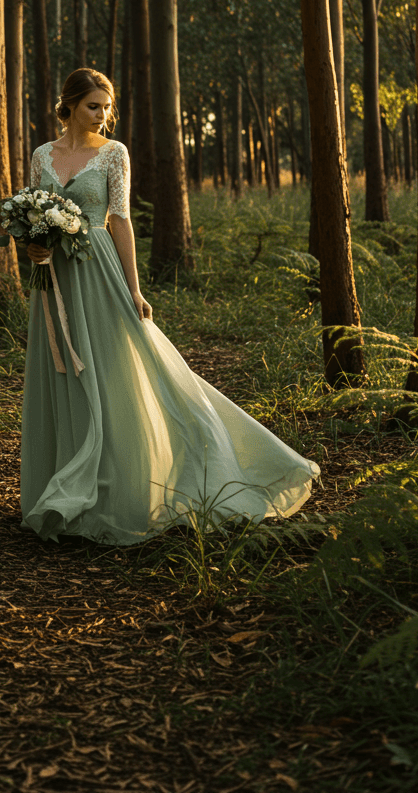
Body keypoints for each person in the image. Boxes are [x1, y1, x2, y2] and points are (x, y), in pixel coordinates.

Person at [21, 66, 319, 545]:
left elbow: (120, 221)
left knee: (118, 372)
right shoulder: (42, 156)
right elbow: (34, 213)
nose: (101, 115)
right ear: (71, 104)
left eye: (107, 107)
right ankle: (60, 494)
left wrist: (135, 289)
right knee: (63, 376)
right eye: (93, 105)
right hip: (54, 280)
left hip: (100, 272)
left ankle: (125, 487)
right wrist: (33, 247)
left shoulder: (114, 154)